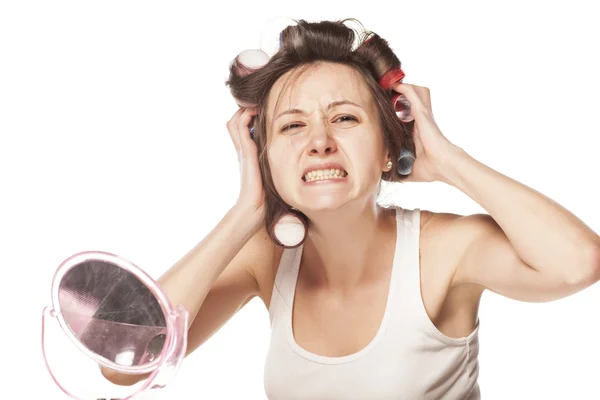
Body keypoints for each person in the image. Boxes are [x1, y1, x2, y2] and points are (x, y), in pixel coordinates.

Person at [101, 18, 600, 399]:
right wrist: (245, 212)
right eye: (292, 126)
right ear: (264, 155)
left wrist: (447, 160)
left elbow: (578, 264)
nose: (319, 141)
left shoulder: (448, 249)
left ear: (388, 148)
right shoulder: (264, 257)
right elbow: (124, 360)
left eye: (344, 117)